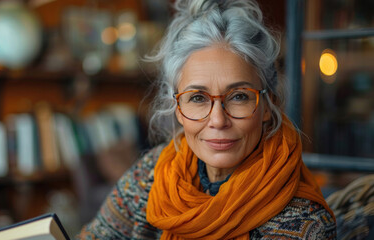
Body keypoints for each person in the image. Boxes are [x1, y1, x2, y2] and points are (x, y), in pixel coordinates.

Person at [78, 0, 337, 239]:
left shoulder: (302, 222)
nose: (217, 120)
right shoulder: (152, 175)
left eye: (238, 96)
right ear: (177, 108)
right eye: (198, 98)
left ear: (268, 105)